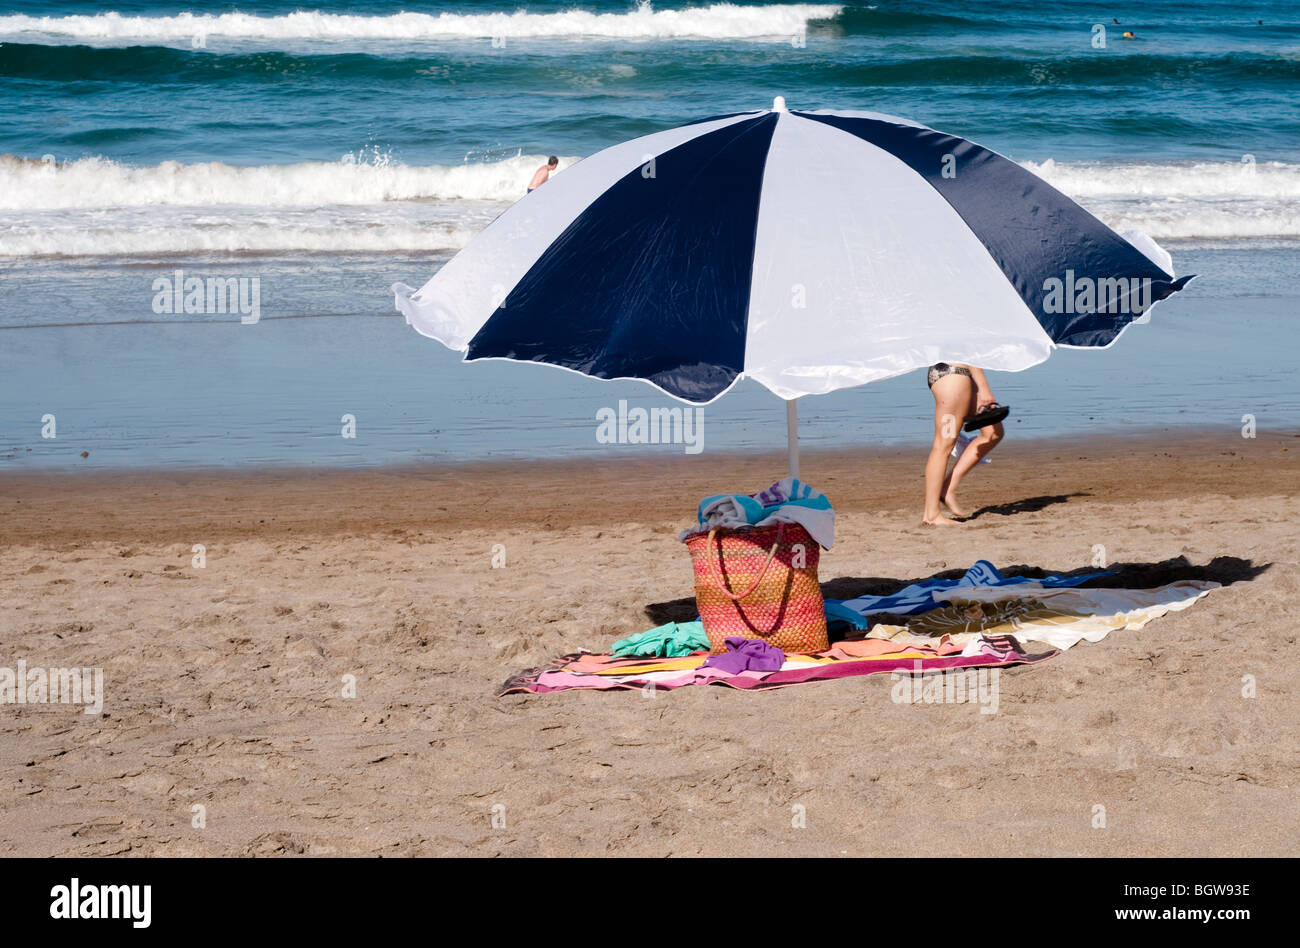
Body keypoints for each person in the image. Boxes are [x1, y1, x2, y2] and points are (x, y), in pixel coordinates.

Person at [922, 362, 1005, 525]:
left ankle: (947, 488)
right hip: (953, 376)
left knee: (993, 432)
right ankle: (931, 514)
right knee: (942, 446)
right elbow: (969, 352)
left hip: (960, 375)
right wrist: (984, 387)